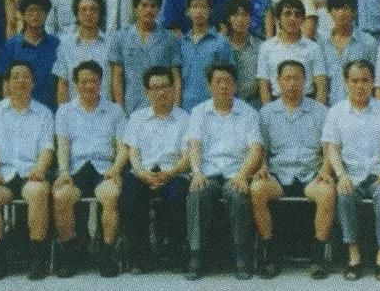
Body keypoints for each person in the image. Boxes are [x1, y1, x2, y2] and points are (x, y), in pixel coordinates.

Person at [251, 60, 335, 280]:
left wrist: (325, 170)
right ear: (278, 82)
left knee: (327, 192)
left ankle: (318, 256)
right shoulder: (266, 113)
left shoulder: (320, 112)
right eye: (286, 78)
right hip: (278, 173)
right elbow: (261, 149)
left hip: (311, 173)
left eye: (296, 78)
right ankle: (270, 253)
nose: (291, 83)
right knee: (257, 189)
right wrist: (262, 167)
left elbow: (329, 148)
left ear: (305, 81)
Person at [184, 62, 264, 281]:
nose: (223, 86)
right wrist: (197, 172)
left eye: (227, 81)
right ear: (209, 85)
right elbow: (194, 145)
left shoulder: (248, 113)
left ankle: (242, 256)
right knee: (197, 194)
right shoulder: (199, 112)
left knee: (238, 196)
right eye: (218, 81)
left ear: (235, 85)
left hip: (236, 173)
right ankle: (196, 255)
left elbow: (256, 150)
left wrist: (243, 175)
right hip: (208, 173)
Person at [0, 61, 56, 281]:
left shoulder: (43, 113)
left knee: (38, 192)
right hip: (4, 174)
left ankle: (37, 257)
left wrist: (40, 169)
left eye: (26, 76)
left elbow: (47, 148)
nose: (21, 81)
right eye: (16, 77)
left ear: (33, 83)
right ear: (8, 83)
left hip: (31, 173)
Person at [51, 61, 128, 278]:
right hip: (75, 169)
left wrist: (116, 169)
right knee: (61, 196)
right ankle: (71, 252)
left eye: (93, 81)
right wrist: (63, 171)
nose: (88, 85)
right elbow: (63, 145)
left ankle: (106, 254)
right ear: (76, 84)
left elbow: (123, 148)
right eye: (83, 81)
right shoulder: (65, 111)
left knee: (110, 194)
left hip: (104, 169)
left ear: (100, 82)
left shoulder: (115, 111)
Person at [323, 59, 380, 282]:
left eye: (365, 80)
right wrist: (341, 175)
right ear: (346, 82)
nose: (360, 86)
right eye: (354, 81)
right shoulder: (336, 112)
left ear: (373, 82)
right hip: (351, 174)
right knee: (344, 193)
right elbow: (332, 147)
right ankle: (353, 254)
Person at [119, 66, 190, 273]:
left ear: (173, 89)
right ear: (146, 92)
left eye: (165, 86)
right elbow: (133, 153)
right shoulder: (137, 118)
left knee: (177, 197)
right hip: (144, 173)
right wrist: (142, 173)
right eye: (155, 88)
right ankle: (141, 256)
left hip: (174, 173)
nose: (161, 92)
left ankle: (173, 252)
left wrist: (170, 173)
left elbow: (187, 156)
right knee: (129, 198)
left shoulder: (184, 118)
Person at [109, 0, 182, 114]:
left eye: (153, 6)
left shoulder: (169, 38)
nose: (148, 10)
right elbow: (117, 76)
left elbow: (176, 77)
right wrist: (119, 109)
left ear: (159, 9)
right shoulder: (121, 37)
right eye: (144, 5)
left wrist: (176, 108)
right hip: (132, 107)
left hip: (163, 107)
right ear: (135, 8)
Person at [257, 0, 327, 106]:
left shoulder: (313, 48)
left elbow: (321, 86)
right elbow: (263, 84)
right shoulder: (266, 48)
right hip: (276, 103)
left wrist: (317, 111)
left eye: (297, 15)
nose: (292, 18)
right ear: (278, 19)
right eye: (287, 14)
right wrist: (269, 110)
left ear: (303, 19)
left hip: (307, 103)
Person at [0, 0, 60, 110]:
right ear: (22, 15)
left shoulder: (57, 45)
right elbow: (6, 84)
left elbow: (62, 82)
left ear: (46, 14)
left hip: (51, 110)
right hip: (21, 111)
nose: (35, 15)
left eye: (40, 10)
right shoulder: (10, 47)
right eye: (31, 10)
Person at [319, 0, 377, 105]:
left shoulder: (368, 42)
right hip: (329, 107)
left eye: (345, 8)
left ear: (354, 11)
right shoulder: (321, 44)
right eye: (336, 9)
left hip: (361, 107)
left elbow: (375, 80)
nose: (341, 13)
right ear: (329, 12)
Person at [179, 0, 233, 111]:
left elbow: (229, 77)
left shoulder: (221, 42)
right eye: (194, 7)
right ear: (187, 11)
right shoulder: (181, 43)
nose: (199, 11)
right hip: (186, 107)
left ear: (210, 11)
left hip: (213, 107)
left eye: (203, 7)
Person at [52, 0, 110, 103]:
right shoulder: (65, 44)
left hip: (105, 108)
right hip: (74, 110)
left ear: (100, 13)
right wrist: (64, 111)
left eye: (93, 9)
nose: (88, 13)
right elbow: (62, 83)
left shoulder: (111, 43)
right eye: (83, 10)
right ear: (77, 14)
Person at [223, 0, 262, 108]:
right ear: (229, 19)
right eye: (235, 15)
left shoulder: (261, 46)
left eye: (244, 15)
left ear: (250, 18)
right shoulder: (221, 46)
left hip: (254, 103)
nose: (240, 19)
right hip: (226, 103)